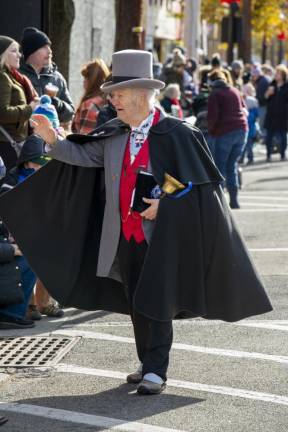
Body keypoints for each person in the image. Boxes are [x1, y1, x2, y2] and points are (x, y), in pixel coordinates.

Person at [0, 50, 272, 395]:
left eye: (118, 95)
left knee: (157, 299)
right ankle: (147, 361)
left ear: (141, 95)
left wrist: (165, 202)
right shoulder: (115, 133)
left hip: (162, 237)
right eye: (111, 95)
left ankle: (157, 370)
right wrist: (52, 138)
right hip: (122, 237)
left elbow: (197, 185)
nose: (112, 102)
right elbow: (83, 155)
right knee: (136, 300)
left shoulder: (177, 133)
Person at [0, 135, 50, 329]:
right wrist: (11, 248)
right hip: (14, 237)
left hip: (20, 235)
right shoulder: (10, 183)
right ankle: (11, 313)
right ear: (28, 161)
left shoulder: (42, 178)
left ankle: (24, 308)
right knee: (27, 258)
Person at [207, 70, 248, 209]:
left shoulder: (215, 93)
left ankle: (220, 204)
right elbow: (244, 109)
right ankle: (234, 201)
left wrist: (211, 131)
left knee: (220, 167)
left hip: (225, 131)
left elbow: (213, 116)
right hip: (242, 130)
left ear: (211, 81)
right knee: (232, 166)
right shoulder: (235, 90)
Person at [20, 27, 74, 127]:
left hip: (51, 138)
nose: (49, 51)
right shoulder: (16, 75)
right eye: (44, 47)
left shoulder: (57, 77)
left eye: (49, 46)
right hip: (23, 139)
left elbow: (70, 114)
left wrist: (58, 104)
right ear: (31, 52)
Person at [0, 35, 39, 169]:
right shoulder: (3, 78)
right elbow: (3, 113)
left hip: (10, 142)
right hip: (6, 145)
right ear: (2, 54)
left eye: (19, 51)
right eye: (13, 51)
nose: (19, 55)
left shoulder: (11, 76)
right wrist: (30, 108)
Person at [72, 59, 110, 134]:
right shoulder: (110, 100)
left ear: (92, 80)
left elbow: (84, 139)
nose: (83, 81)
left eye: (85, 78)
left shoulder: (89, 105)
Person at [264, 64, 288, 161]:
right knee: (268, 137)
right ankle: (268, 155)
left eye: (278, 73)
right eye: (276, 73)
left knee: (283, 136)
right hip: (271, 115)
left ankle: (282, 154)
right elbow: (265, 99)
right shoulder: (272, 85)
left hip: (283, 116)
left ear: (283, 75)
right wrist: (267, 94)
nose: (276, 75)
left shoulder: (286, 86)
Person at [241, 83, 259, 165]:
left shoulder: (252, 102)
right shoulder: (243, 101)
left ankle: (249, 158)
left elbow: (255, 116)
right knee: (244, 145)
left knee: (248, 145)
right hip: (245, 127)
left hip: (249, 128)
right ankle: (243, 158)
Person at [251, 65, 270, 139]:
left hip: (263, 106)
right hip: (264, 105)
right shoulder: (262, 80)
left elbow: (262, 97)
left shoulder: (262, 82)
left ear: (257, 74)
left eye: (253, 75)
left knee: (263, 126)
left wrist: (255, 98)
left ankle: (267, 141)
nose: (253, 77)